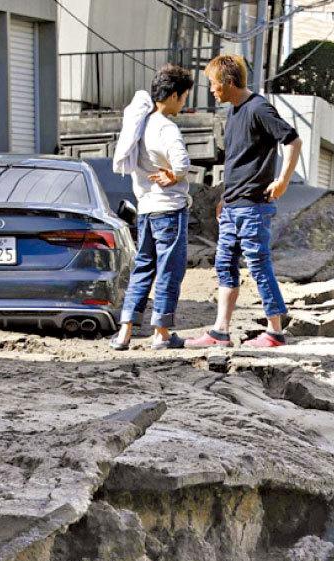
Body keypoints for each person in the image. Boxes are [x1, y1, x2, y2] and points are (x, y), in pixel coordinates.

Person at [186, 54, 302, 349]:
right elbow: (238, 162)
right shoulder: (234, 113)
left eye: (213, 84)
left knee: (258, 264)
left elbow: (292, 140)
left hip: (253, 206)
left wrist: (283, 181)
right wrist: (224, 197)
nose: (211, 90)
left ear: (227, 82)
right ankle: (220, 331)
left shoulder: (258, 108)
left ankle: (275, 333)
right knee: (224, 264)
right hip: (233, 205)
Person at [109, 65, 194, 350]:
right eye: (183, 97)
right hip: (169, 209)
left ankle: (125, 331)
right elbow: (182, 163)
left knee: (143, 267)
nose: (184, 102)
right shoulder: (167, 127)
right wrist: (175, 175)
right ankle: (161, 332)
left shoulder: (141, 124)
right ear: (172, 95)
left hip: (145, 209)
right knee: (170, 269)